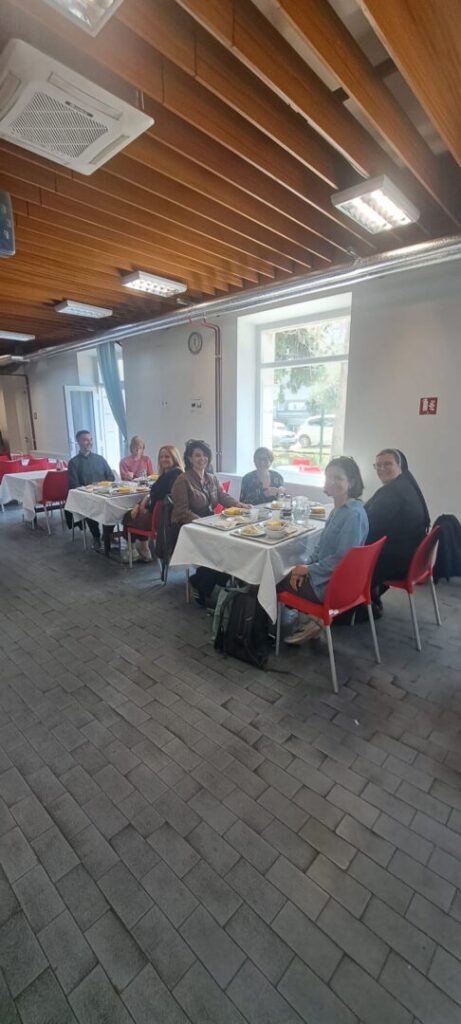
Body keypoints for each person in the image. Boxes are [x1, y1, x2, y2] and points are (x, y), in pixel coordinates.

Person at [279, 456, 368, 644]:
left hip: (331, 587)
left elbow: (342, 559)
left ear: (351, 482)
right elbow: (320, 549)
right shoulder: (340, 509)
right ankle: (312, 622)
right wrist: (304, 566)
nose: (332, 482)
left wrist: (308, 569)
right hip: (329, 578)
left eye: (338, 478)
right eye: (329, 477)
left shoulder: (352, 515)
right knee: (291, 568)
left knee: (274, 577)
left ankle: (312, 621)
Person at [171, 439, 248, 604]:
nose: (202, 459)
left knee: (231, 547)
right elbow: (182, 512)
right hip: (189, 528)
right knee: (221, 550)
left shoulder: (211, 478)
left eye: (205, 455)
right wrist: (203, 522)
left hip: (209, 524)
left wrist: (241, 505)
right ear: (190, 458)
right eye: (197, 455)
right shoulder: (182, 480)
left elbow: (223, 496)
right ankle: (202, 583)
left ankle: (203, 582)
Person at [365, 448, 430, 598]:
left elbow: (369, 526)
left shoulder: (394, 492)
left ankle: (356, 603)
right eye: (378, 465)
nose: (381, 468)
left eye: (387, 464)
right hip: (412, 559)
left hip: (398, 563)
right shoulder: (405, 485)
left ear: (400, 466)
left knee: (345, 555)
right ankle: (370, 598)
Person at [122, 445, 184, 562]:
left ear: (174, 458)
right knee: (135, 513)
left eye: (167, 456)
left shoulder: (174, 475)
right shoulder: (168, 474)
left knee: (127, 517)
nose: (163, 459)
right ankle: (144, 548)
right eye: (161, 457)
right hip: (160, 516)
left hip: (161, 519)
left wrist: (142, 504)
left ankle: (133, 550)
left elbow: (161, 497)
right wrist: (142, 502)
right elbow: (154, 493)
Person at [67, 430, 115, 551]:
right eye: (85, 440)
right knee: (90, 508)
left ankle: (107, 534)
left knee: (115, 508)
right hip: (87, 496)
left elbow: (111, 476)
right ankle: (96, 537)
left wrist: (103, 486)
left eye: (90, 439)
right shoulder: (73, 463)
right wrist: (89, 490)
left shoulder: (100, 459)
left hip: (104, 494)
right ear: (78, 442)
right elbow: (74, 484)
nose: (89, 442)